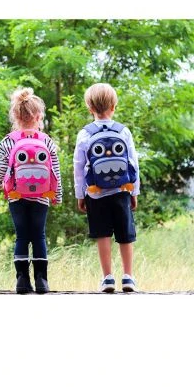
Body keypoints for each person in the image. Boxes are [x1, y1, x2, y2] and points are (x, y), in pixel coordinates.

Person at [0, 88, 62, 294]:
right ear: (39, 117)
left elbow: (2, 167)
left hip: (16, 196)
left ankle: (22, 280)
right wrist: (57, 194)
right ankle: (41, 280)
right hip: (41, 196)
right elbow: (55, 170)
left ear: (15, 116)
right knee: (39, 235)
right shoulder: (46, 141)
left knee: (21, 236)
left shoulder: (8, 141)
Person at [73, 83, 140, 293]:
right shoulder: (123, 131)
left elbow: (78, 167)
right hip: (122, 190)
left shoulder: (85, 134)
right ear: (114, 106)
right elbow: (133, 163)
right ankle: (128, 277)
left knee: (102, 234)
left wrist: (80, 194)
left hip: (95, 193)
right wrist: (134, 191)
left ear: (90, 108)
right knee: (125, 234)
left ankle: (108, 278)